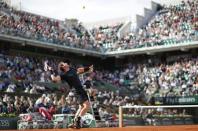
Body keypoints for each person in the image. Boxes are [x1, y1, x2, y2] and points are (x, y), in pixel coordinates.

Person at [45, 60, 93, 128]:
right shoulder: (63, 74)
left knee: (81, 107)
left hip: (80, 89)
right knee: (86, 106)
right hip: (77, 90)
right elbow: (54, 79)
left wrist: (88, 68)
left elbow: (79, 70)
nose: (65, 63)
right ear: (63, 66)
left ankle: (74, 123)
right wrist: (51, 71)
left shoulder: (72, 69)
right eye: (63, 63)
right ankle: (78, 121)